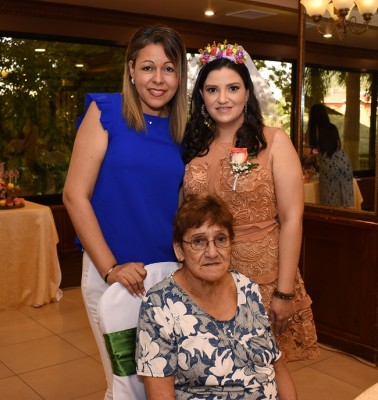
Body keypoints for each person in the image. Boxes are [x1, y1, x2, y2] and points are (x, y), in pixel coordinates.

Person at [63, 25, 187, 399]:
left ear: (180, 74)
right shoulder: (106, 113)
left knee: (167, 385)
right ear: (131, 69)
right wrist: (110, 268)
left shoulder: (185, 130)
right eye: (148, 67)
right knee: (126, 385)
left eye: (168, 68)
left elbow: (184, 203)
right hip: (113, 276)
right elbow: (74, 195)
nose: (158, 79)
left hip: (170, 277)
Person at [181, 41, 319, 362]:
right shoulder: (194, 147)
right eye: (212, 90)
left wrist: (284, 291)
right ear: (201, 96)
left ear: (247, 92)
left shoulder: (274, 141)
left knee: (267, 370)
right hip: (205, 272)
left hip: (262, 277)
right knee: (217, 368)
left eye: (232, 88)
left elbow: (292, 217)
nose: (223, 98)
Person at [136, 194, 298, 399]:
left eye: (220, 239)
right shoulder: (159, 305)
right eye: (199, 241)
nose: (212, 252)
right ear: (179, 250)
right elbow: (160, 395)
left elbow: (277, 365)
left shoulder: (246, 288)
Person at [318, 122, 354, 207]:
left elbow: (346, 188)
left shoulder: (328, 158)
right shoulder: (339, 156)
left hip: (332, 207)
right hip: (336, 207)